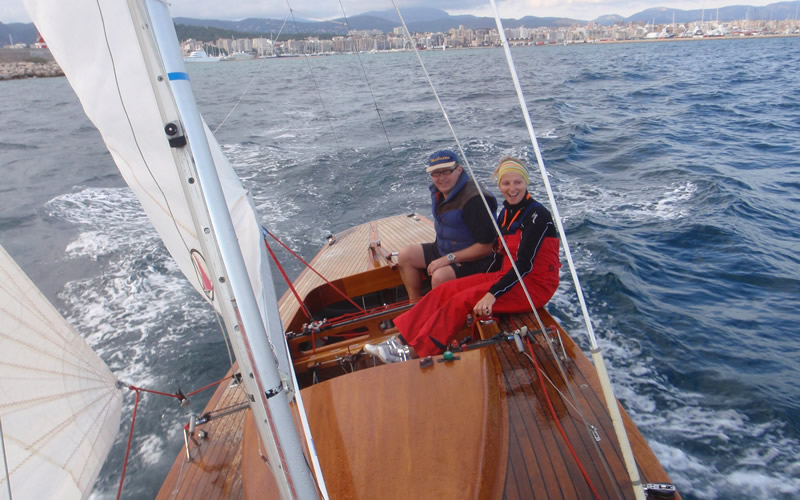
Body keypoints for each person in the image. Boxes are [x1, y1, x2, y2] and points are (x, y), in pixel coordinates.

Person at [366, 156, 561, 363]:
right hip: (507, 276)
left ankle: (413, 353)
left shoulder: (538, 216)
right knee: (444, 290)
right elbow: (500, 256)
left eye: (517, 182)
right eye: (506, 183)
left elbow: (524, 265)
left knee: (460, 301)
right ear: (500, 185)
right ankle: (399, 341)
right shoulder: (506, 213)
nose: (512, 188)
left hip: (533, 286)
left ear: (526, 183)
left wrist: (491, 294)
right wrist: (473, 282)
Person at [397, 150, 498, 301]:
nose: (441, 178)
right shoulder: (439, 192)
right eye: (436, 173)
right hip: (446, 250)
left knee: (440, 276)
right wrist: (446, 257)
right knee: (406, 255)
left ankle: (439, 313)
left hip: (478, 260)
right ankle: (415, 305)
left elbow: (487, 247)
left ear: (459, 170)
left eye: (446, 171)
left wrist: (448, 259)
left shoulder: (474, 200)